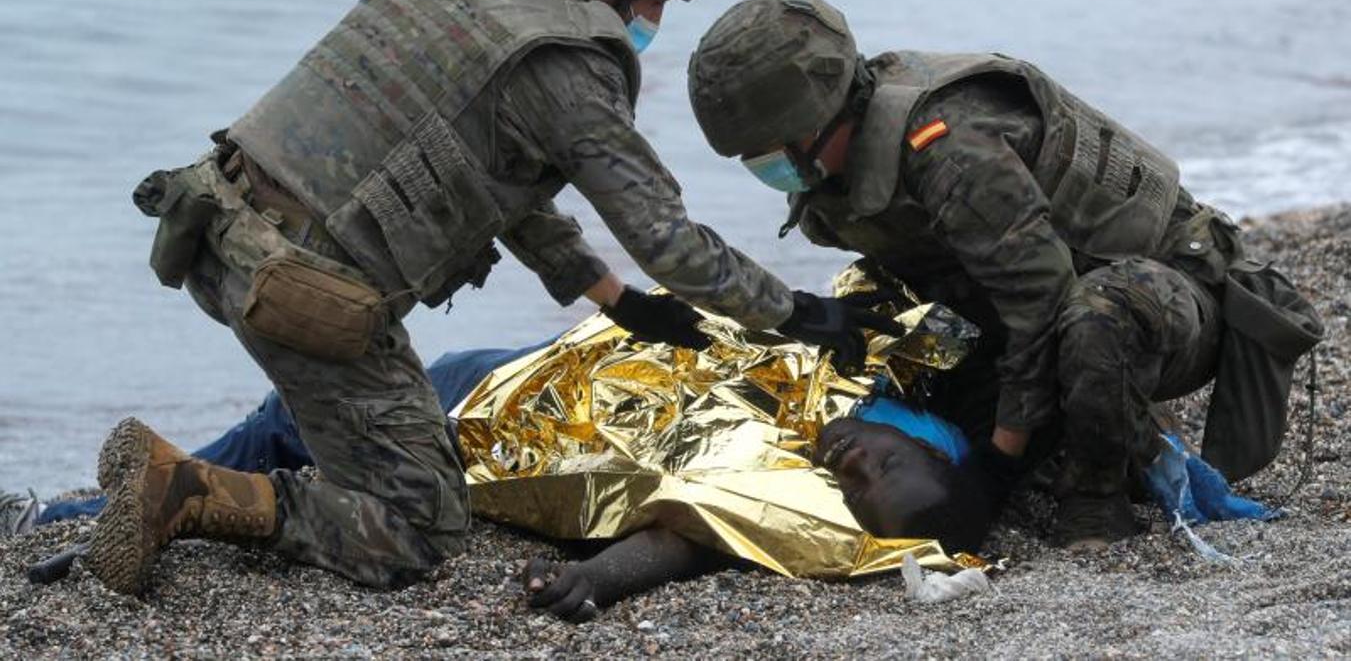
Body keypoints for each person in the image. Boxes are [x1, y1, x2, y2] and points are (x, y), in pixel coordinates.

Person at [89, 0, 891, 596]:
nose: (655, 15)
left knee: (354, 431)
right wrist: (798, 312)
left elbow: (488, 182)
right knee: (417, 525)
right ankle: (184, 487)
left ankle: (97, 505)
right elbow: (670, 240)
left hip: (217, 230)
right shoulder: (569, 65)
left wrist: (615, 300)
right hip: (304, 297)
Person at [686, 0, 1324, 549]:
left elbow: (1040, 302)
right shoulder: (839, 164)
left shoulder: (951, 148)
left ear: (811, 119)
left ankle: (1096, 502)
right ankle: (1088, 429)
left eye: (768, 150)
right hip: (1038, 296)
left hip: (1166, 299)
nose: (764, 165)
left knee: (1096, 317)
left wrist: (1002, 455)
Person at [4, 334, 989, 623]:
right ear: (921, 441)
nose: (859, 468)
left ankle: (69, 515)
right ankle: (83, 510)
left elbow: (694, 532)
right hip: (492, 397)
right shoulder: (856, 364)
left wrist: (595, 582)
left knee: (287, 434)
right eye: (884, 461)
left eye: (863, 488)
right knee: (302, 448)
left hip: (487, 397)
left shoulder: (810, 478)